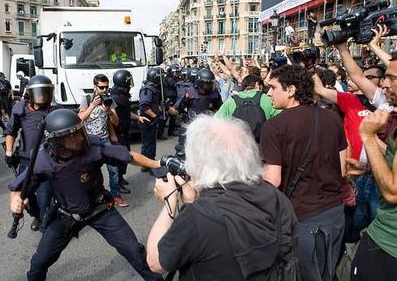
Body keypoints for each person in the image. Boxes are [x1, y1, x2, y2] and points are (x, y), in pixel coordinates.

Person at [8, 109, 162, 281]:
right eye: (72, 136)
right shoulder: (43, 160)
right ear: (57, 141)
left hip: (100, 209)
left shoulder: (93, 147)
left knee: (134, 250)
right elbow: (18, 189)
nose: (80, 138)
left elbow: (129, 156)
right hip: (66, 215)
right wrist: (15, 200)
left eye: (79, 132)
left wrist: (157, 164)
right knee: (39, 263)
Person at [146, 115, 297, 280]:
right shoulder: (275, 196)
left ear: (200, 162)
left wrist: (170, 200)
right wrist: (193, 201)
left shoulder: (197, 217)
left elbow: (155, 262)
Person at [260, 65, 347, 281]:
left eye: (273, 87)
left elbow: (272, 180)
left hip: (301, 219)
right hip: (335, 214)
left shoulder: (273, 127)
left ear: (290, 90)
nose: (268, 93)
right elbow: (343, 169)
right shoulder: (333, 118)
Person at [350, 52, 397, 281]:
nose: (385, 84)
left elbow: (392, 191)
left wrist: (367, 136)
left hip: (388, 246)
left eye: (392, 78)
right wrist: (367, 168)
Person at [4, 75, 57, 231]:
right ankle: (37, 215)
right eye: (39, 93)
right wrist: (8, 151)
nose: (42, 97)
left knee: (44, 196)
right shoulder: (21, 109)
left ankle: (45, 222)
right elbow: (11, 131)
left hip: (46, 161)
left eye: (45, 93)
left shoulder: (55, 111)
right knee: (26, 197)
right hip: (26, 160)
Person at [78, 74, 127, 207]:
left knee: (114, 170)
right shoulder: (87, 99)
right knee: (90, 172)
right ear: (95, 87)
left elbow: (116, 122)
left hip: (105, 140)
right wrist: (92, 106)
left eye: (106, 87)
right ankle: (92, 197)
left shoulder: (109, 100)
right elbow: (80, 118)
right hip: (90, 142)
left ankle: (115, 196)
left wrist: (109, 111)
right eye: (101, 87)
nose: (104, 90)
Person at [111, 69, 150, 194]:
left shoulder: (123, 97)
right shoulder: (115, 98)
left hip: (124, 133)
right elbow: (113, 118)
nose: (130, 84)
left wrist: (138, 117)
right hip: (118, 134)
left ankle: (121, 179)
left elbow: (127, 112)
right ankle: (117, 185)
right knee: (119, 160)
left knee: (125, 158)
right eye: (128, 82)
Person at [170, 68, 222, 152]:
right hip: (190, 127)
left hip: (207, 128)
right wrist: (166, 108)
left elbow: (219, 110)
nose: (210, 86)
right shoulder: (190, 93)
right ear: (200, 83)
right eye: (207, 84)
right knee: (184, 151)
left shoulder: (215, 95)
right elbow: (177, 110)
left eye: (211, 83)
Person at [216, 74, 280, 143]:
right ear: (258, 86)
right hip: (263, 146)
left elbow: (216, 123)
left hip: (239, 147)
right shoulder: (268, 99)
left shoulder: (231, 101)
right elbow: (281, 122)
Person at [139, 68, 163, 167]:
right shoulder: (147, 89)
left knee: (150, 143)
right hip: (147, 120)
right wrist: (155, 115)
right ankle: (147, 164)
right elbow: (144, 106)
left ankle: (148, 162)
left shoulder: (153, 88)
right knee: (148, 144)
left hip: (151, 120)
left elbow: (154, 104)